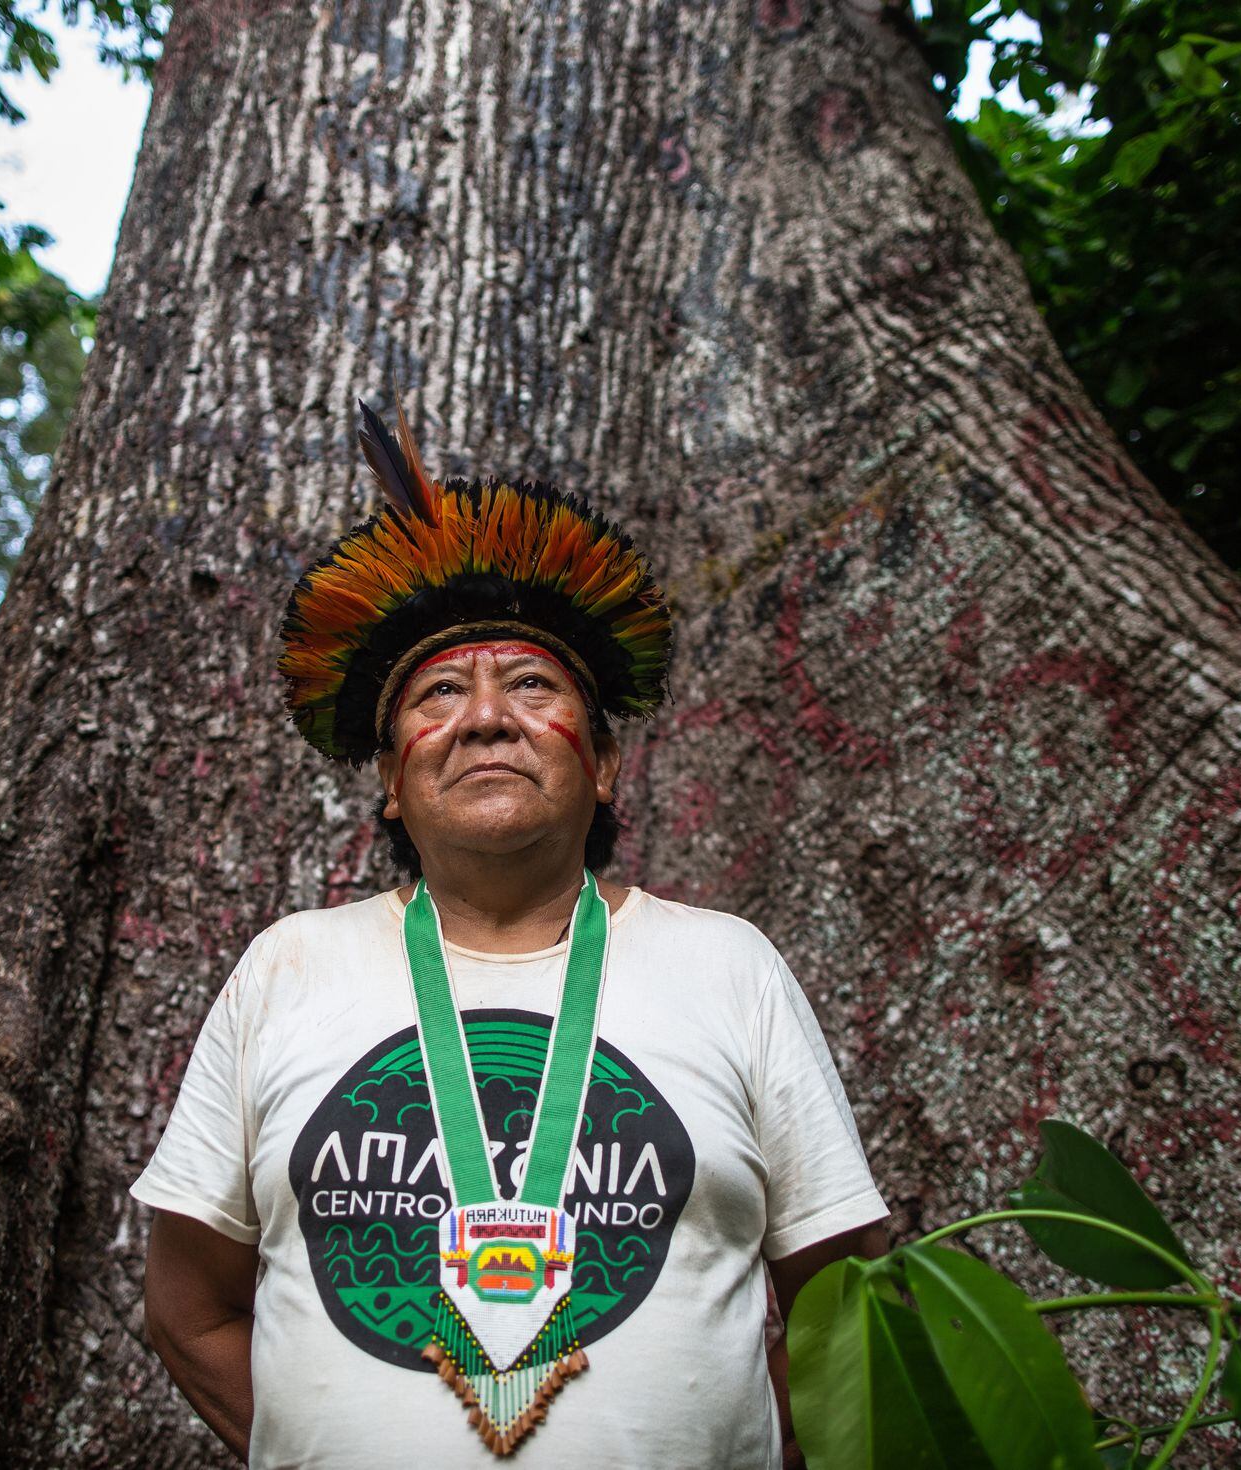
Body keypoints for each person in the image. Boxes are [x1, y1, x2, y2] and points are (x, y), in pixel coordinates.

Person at [133, 399, 890, 1468]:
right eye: (441, 691)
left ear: (605, 762)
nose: (487, 717)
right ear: (392, 781)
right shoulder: (285, 970)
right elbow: (189, 1311)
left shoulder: (730, 967)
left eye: (531, 684)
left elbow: (847, 1306)